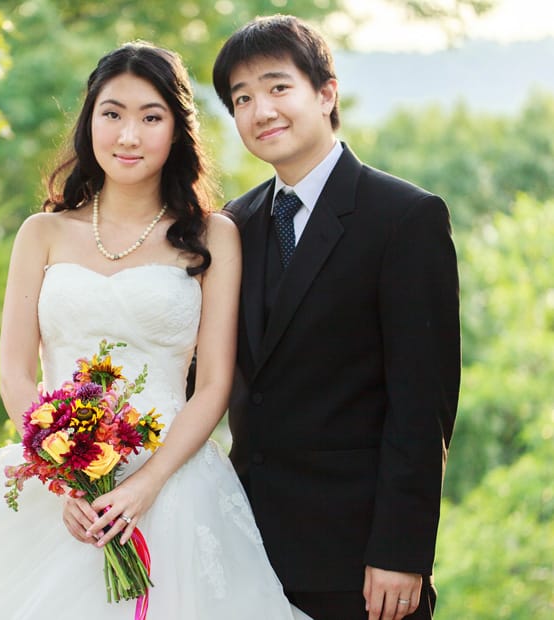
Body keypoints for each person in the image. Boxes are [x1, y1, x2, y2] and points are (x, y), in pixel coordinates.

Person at [0, 42, 308, 619]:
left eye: (150, 117)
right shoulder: (41, 233)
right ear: (90, 121)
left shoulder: (216, 236)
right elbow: (15, 373)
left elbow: (213, 385)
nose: (129, 136)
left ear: (177, 130)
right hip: (56, 493)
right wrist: (67, 481)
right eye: (112, 114)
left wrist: (145, 486)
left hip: (175, 487)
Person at [210, 14, 461, 620]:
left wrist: (401, 550)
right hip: (245, 546)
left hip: (361, 559)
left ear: (326, 93)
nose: (260, 109)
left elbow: (422, 403)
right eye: (241, 98)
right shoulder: (232, 226)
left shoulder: (404, 218)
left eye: (277, 87)